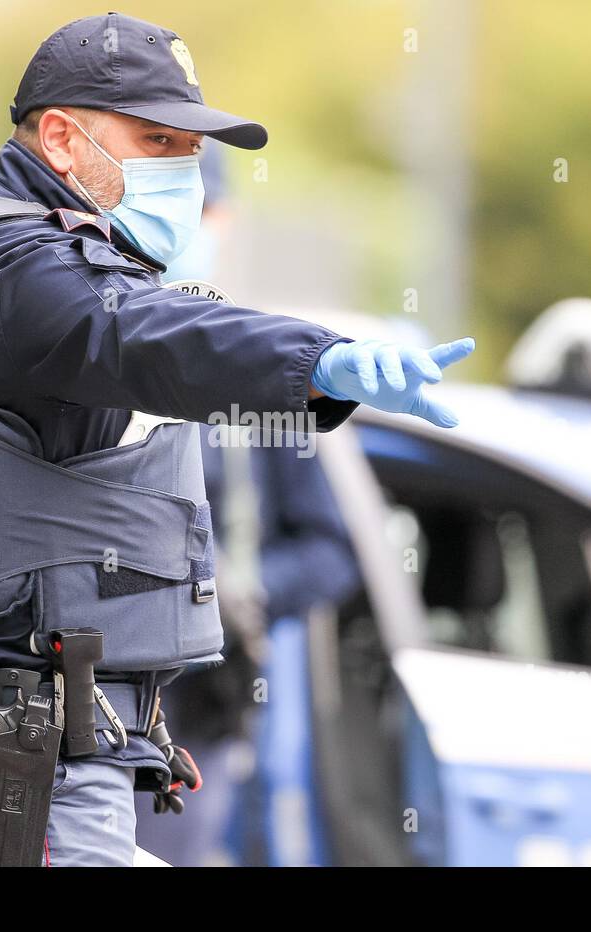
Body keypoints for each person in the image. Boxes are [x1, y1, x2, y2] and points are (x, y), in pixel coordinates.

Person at [0, 11, 473, 867]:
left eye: (192, 150)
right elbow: (144, 332)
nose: (184, 171)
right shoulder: (14, 265)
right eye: (157, 141)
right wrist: (321, 360)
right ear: (59, 137)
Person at [135, 144, 362, 865]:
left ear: (224, 221)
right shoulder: (94, 351)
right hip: (93, 703)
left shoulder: (257, 372)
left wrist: (244, 589)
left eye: (197, 211)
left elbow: (332, 555)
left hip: (211, 709)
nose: (181, 233)